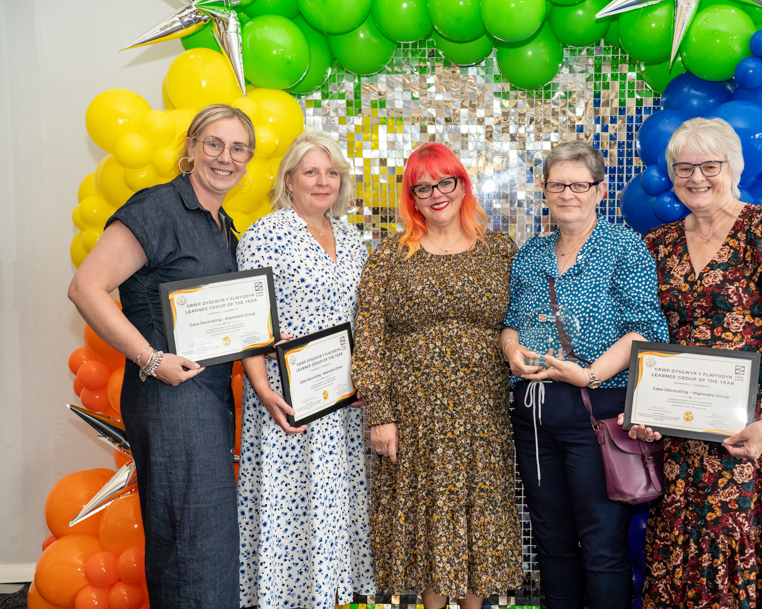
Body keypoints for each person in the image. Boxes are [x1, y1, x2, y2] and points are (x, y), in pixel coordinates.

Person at [68, 104, 256, 608]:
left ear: (249, 160)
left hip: (208, 399)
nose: (225, 157)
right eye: (213, 144)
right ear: (190, 149)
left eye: (238, 149)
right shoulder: (158, 208)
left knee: (200, 538)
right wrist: (151, 359)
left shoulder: (223, 223)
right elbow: (86, 288)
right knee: (192, 542)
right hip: (171, 398)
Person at [628, 117, 762, 609]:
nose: (697, 177)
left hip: (748, 423)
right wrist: (644, 409)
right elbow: (647, 337)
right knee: (680, 535)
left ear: (734, 166)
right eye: (683, 167)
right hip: (681, 423)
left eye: (710, 165)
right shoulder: (658, 244)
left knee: (739, 533)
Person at [350, 143, 523, 609]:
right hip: (414, 417)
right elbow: (367, 340)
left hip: (482, 415)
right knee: (427, 529)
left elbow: (522, 322)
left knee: (476, 527)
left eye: (445, 182)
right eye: (423, 187)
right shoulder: (389, 256)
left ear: (463, 185)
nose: (436, 194)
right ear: (412, 197)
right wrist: (380, 414)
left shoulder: (500, 251)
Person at [500, 140, 669, 609]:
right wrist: (512, 349)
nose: (568, 194)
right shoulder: (531, 253)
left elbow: (644, 332)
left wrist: (589, 375)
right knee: (551, 542)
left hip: (597, 414)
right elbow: (511, 321)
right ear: (544, 190)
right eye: (558, 185)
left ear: (600, 190)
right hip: (533, 419)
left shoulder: (623, 248)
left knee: (601, 544)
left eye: (579, 185)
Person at [236, 131, 375, 609]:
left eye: (331, 172)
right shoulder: (265, 234)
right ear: (289, 180)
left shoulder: (354, 238)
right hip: (285, 398)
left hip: (341, 400)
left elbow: (364, 321)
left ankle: (332, 596)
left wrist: (363, 380)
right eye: (311, 172)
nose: (322, 182)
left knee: (334, 505)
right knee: (289, 505)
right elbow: (247, 324)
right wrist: (260, 388)